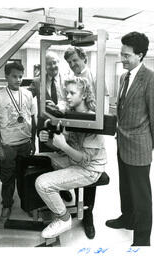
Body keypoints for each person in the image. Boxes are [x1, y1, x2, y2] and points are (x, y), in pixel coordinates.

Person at [105, 32, 154, 246]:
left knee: (142, 196)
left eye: (127, 55)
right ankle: (127, 218)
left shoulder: (153, 79)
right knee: (125, 187)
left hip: (140, 146)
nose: (122, 59)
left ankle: (142, 240)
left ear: (140, 55)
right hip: (122, 142)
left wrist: (151, 145)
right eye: (121, 54)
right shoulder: (124, 77)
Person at [35, 77, 107, 239]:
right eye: (66, 92)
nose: (67, 96)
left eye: (72, 93)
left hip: (89, 169)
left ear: (83, 95)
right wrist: (48, 139)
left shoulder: (92, 119)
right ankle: (58, 195)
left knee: (42, 183)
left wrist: (63, 146)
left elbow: (85, 160)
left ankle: (64, 218)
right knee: (42, 158)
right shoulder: (71, 114)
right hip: (74, 160)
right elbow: (62, 145)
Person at [63, 47, 109, 239]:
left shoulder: (95, 77)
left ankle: (88, 215)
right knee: (76, 167)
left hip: (90, 133)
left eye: (75, 60)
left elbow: (103, 106)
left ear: (84, 58)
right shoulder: (70, 78)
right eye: (70, 62)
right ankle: (77, 205)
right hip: (75, 131)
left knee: (89, 173)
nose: (73, 65)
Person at [0, 62, 37, 221]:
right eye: (14, 76)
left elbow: (33, 119)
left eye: (20, 76)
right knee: (7, 177)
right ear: (6, 76)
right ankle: (7, 204)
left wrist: (33, 140)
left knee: (25, 177)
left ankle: (27, 204)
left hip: (25, 143)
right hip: (8, 145)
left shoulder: (28, 95)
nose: (18, 79)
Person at [32, 51, 72, 203]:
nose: (53, 66)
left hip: (64, 126)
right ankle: (48, 192)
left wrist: (60, 107)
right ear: (44, 66)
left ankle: (64, 189)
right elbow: (26, 96)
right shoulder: (37, 82)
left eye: (55, 62)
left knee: (65, 157)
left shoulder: (68, 80)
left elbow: (72, 101)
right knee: (47, 159)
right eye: (49, 63)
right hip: (45, 127)